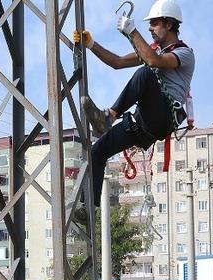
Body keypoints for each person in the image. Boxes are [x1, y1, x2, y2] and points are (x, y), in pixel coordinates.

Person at [73, 0, 194, 205]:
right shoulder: (153, 50)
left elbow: (153, 62)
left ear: (169, 25)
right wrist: (91, 44)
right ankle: (88, 206)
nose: (150, 28)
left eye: (155, 23)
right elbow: (117, 62)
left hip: (164, 116)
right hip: (142, 123)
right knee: (97, 152)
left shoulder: (184, 53)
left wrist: (132, 32)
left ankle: (108, 116)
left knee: (145, 73)